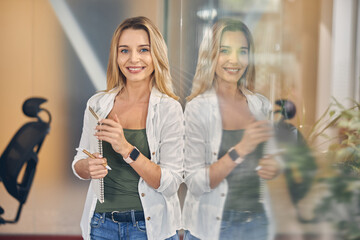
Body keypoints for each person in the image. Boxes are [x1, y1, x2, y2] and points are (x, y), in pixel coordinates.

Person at [72, 16, 183, 240]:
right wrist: (88, 167)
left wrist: (126, 149)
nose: (133, 59)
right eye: (124, 50)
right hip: (100, 225)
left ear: (156, 55)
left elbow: (170, 183)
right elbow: (78, 163)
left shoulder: (169, 109)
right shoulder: (97, 104)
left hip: (148, 227)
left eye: (143, 50)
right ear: (116, 56)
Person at [182, 19, 282, 240]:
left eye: (242, 51)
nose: (234, 60)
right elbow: (196, 182)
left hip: (256, 225)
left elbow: (272, 159)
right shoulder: (197, 108)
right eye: (224, 51)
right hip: (210, 229)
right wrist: (240, 150)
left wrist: (273, 167)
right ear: (211, 55)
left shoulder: (260, 105)